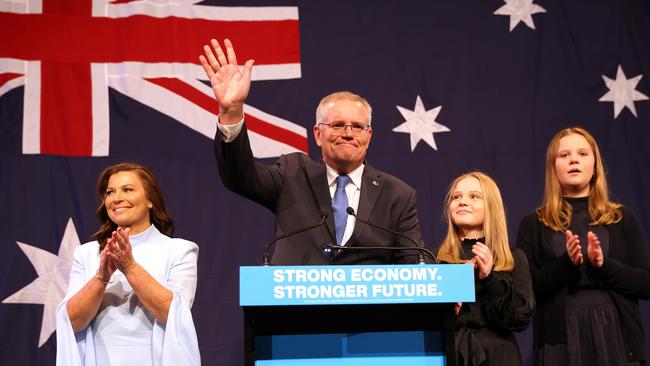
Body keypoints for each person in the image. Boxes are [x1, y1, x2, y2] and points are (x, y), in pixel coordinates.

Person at [199, 39, 425, 265]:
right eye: (337, 125)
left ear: (369, 136)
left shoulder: (397, 194)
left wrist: (455, 277)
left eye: (357, 127)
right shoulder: (292, 174)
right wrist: (232, 112)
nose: (348, 133)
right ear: (318, 134)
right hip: (296, 299)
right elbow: (239, 176)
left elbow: (417, 266)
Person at [516, 127, 650, 365]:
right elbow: (527, 290)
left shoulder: (621, 218)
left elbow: (646, 283)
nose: (574, 160)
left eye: (582, 153)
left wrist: (603, 264)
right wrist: (567, 264)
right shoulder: (534, 223)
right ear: (553, 166)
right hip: (559, 338)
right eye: (564, 155)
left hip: (617, 335)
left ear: (595, 164)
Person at [56, 163, 200, 366]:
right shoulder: (86, 253)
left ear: (150, 200)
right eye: (110, 192)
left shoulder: (179, 251)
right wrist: (101, 278)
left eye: (128, 190)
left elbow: (173, 313)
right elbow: (72, 322)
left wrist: (130, 267)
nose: (116, 198)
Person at [436, 171, 534, 365]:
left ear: (491, 207)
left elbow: (519, 319)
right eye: (456, 197)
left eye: (474, 196)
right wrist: (449, 302)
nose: (462, 201)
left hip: (499, 356)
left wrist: (489, 278)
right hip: (452, 353)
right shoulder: (435, 260)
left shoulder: (513, 258)